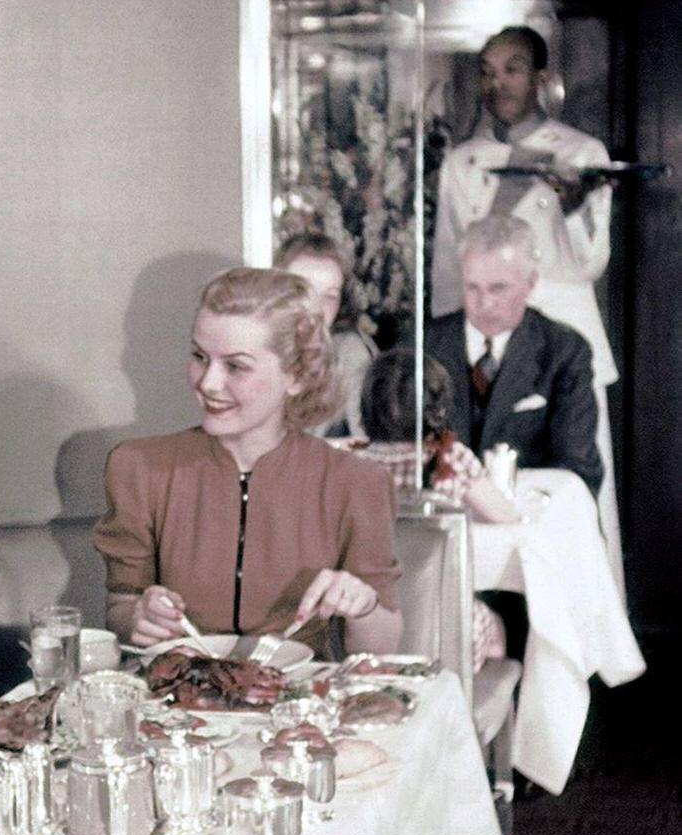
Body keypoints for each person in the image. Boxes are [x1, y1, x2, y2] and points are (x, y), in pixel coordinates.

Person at [93, 267, 402, 655]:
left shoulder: (356, 483)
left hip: (300, 707)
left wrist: (364, 605)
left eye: (235, 366)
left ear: (298, 376)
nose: (208, 382)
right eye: (199, 356)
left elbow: (383, 648)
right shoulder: (140, 469)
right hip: (176, 705)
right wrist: (139, 616)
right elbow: (120, 608)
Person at [430, 23, 621, 581]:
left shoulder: (583, 153)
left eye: (512, 69)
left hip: (563, 339)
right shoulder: (464, 161)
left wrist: (572, 203)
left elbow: (589, 263)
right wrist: (454, 351)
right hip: (487, 337)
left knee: (577, 485)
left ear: (541, 78)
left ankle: (584, 635)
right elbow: (449, 263)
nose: (499, 83)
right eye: (488, 72)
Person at [357, 347, 518, 671]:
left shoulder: (353, 465)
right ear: (438, 409)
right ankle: (480, 708)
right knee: (498, 627)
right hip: (444, 631)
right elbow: (505, 515)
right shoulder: (450, 459)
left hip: (365, 629)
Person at [425, 215, 601, 496]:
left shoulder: (565, 352)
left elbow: (576, 471)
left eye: (498, 288)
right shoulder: (424, 346)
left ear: (530, 284)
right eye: (472, 287)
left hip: (531, 522)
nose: (484, 303)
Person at [277, 229, 374, 436]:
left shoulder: (349, 352)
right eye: (304, 292)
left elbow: (366, 443)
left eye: (330, 296)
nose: (318, 309)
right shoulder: (253, 346)